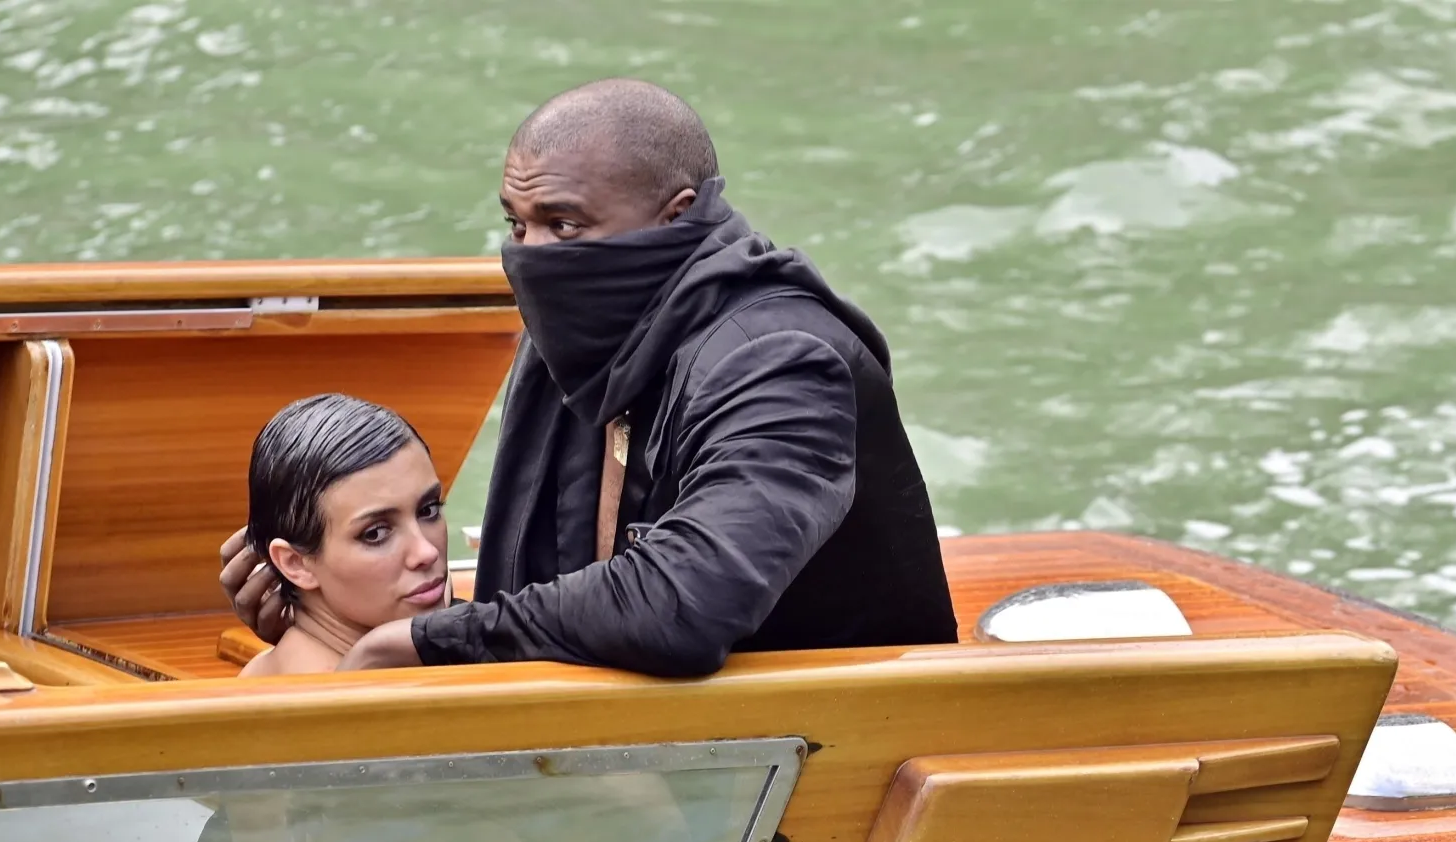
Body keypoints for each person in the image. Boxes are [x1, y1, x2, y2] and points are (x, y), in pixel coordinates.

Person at [222, 77, 957, 677]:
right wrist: (329, 613)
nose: (532, 257)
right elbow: (544, 593)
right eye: (518, 225)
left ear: (676, 218)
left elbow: (685, 603)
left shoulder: (783, 363)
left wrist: (418, 641)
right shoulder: (578, 334)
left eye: (564, 226)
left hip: (818, 759)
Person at [234, 393, 449, 677]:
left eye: (429, 510)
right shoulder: (355, 704)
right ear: (295, 563)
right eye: (375, 534)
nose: (427, 552)